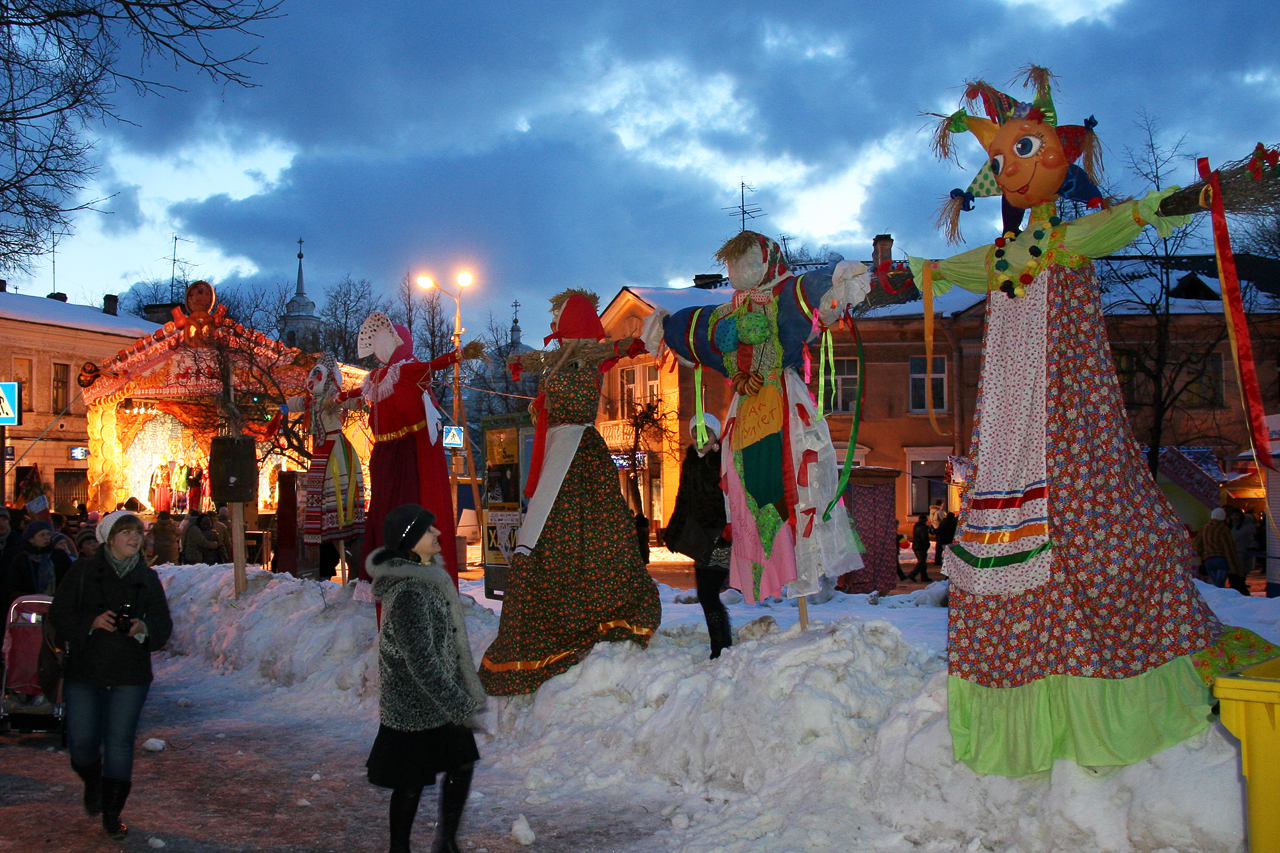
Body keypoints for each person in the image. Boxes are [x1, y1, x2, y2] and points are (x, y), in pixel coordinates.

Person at [907, 66, 1275, 776]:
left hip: (1068, 412)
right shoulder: (1004, 255)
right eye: (1001, 158)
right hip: (1007, 427)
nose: (1011, 168)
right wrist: (893, 276)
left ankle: (1098, 705)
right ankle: (1022, 715)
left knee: (1077, 534)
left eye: (1024, 149)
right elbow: (946, 271)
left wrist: (1193, 196)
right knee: (1007, 547)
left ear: (1059, 156)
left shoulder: (1066, 241)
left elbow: (1131, 217)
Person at [642, 233, 868, 604]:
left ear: (766, 262)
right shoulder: (727, 313)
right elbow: (698, 327)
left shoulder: (784, 296)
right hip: (746, 411)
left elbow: (809, 295)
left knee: (793, 476)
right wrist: (669, 326)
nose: (738, 271)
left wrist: (834, 280)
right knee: (751, 491)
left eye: (746, 262)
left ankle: (794, 563)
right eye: (733, 265)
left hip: (781, 400)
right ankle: (769, 564)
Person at [479, 291, 662, 694]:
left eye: (560, 317)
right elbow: (532, 364)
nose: (553, 324)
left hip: (578, 450)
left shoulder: (593, 357)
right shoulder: (556, 360)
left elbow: (623, 348)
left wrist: (642, 340)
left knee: (572, 532)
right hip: (559, 450)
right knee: (546, 532)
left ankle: (587, 617)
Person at [366, 504, 485, 853]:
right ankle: (399, 849)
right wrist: (459, 704)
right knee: (411, 783)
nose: (438, 533)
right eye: (428, 530)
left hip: (439, 698)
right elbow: (421, 663)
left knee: (461, 763)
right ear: (410, 541)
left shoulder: (430, 578)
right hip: (413, 705)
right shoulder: (408, 593)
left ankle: (446, 843)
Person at [49, 510, 172, 839]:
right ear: (109, 538)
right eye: (127, 532)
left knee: (119, 742)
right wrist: (90, 621)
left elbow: (163, 626)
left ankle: (112, 812)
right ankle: (93, 781)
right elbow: (59, 613)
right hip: (85, 670)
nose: (135, 538)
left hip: (130, 674)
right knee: (82, 743)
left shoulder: (148, 578)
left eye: (138, 532)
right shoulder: (83, 571)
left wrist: (143, 628)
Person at [664, 414, 733, 659]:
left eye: (706, 435)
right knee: (706, 594)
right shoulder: (690, 461)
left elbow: (733, 498)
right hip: (701, 539)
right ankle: (721, 644)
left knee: (707, 592)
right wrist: (673, 530)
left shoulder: (723, 460)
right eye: (696, 434)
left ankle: (720, 647)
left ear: (715, 436)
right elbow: (683, 498)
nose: (700, 439)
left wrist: (728, 529)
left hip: (721, 536)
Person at [6, 519, 73, 609]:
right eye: (42, 535)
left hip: (58, 605)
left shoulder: (59, 556)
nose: (46, 538)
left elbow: (70, 580)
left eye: (48, 534)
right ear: (31, 539)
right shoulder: (21, 560)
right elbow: (14, 587)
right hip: (30, 607)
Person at [1195, 508, 1238, 590]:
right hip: (1221, 559)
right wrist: (1234, 564)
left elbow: (1198, 544)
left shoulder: (1204, 528)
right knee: (1220, 585)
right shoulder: (1224, 529)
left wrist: (1202, 556)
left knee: (1215, 584)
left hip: (1208, 559)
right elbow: (1230, 546)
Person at [1229, 508, 1257, 596]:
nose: (1234, 517)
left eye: (1236, 515)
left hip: (1244, 555)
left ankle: (1244, 595)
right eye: (1232, 515)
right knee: (1234, 578)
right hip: (1234, 556)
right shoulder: (1233, 526)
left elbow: (1253, 538)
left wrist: (1251, 548)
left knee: (1240, 578)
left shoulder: (1248, 526)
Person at [909, 514, 931, 583]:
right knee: (921, 562)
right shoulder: (922, 528)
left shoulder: (917, 526)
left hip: (917, 545)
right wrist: (927, 544)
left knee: (923, 562)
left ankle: (924, 577)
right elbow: (924, 538)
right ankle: (912, 574)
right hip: (921, 546)